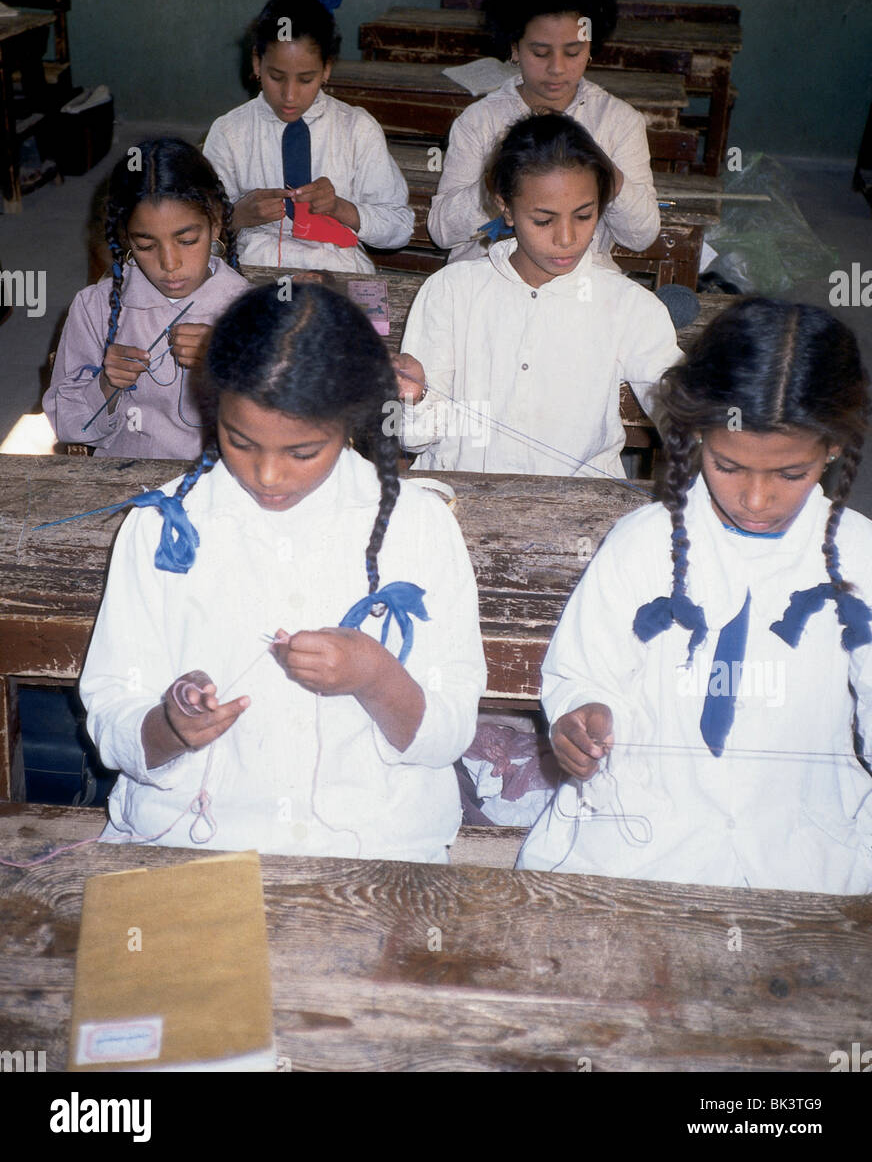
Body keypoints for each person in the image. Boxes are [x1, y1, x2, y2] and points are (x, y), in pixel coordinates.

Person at [78, 281, 486, 861]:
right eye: (240, 442)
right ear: (212, 406)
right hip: (195, 839)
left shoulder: (417, 526)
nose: (267, 476)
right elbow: (113, 706)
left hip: (374, 844)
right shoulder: (162, 527)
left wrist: (375, 675)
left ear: (351, 423)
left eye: (301, 453)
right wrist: (169, 727)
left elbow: (447, 731)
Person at [517, 298, 872, 894]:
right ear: (698, 434)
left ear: (832, 447)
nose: (755, 500)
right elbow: (583, 673)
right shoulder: (644, 543)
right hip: (640, 840)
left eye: (790, 474)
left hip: (801, 842)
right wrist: (583, 718)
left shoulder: (859, 558)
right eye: (728, 465)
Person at [394, 113, 680, 477]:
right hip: (464, 502)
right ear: (505, 207)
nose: (566, 238)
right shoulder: (452, 291)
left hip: (577, 511)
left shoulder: (627, 305)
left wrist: (707, 406)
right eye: (543, 220)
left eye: (584, 216)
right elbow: (415, 438)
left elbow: (681, 411)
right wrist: (415, 396)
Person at [428, 0, 660, 263]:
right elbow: (441, 232)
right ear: (514, 48)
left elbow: (642, 236)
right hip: (487, 278)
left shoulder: (617, 121)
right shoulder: (480, 120)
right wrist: (499, 177)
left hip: (578, 286)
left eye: (573, 51)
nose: (557, 68)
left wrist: (598, 162)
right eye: (540, 52)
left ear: (591, 47)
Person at [43, 138, 247, 458]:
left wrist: (228, 363)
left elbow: (285, 430)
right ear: (125, 236)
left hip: (216, 487)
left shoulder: (250, 312)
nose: (169, 264)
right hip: (122, 484)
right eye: (146, 245)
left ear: (217, 222)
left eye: (188, 240)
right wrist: (107, 385)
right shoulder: (96, 307)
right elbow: (69, 427)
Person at [203, 0, 413, 271]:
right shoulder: (229, 132)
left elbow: (399, 228)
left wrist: (341, 208)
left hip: (338, 269)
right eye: (277, 77)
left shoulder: (356, 129)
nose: (289, 96)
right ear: (256, 63)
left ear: (326, 69)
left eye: (306, 79)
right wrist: (236, 216)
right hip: (255, 268)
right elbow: (195, 228)